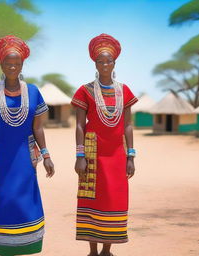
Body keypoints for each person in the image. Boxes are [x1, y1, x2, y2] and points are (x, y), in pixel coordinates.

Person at [0, 35, 55, 256]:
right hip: (0, 158)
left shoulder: (33, 92)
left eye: (17, 63)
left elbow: (37, 128)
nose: (13, 67)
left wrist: (46, 155)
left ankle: (20, 248)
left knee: (23, 205)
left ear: (22, 65)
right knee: (0, 203)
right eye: (8, 63)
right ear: (1, 64)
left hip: (25, 159)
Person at [71, 33, 138, 256]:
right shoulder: (85, 90)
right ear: (95, 64)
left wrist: (131, 156)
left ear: (114, 63)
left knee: (113, 198)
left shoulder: (124, 91)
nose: (105, 64)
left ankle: (106, 251)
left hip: (116, 153)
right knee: (93, 197)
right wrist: (80, 156)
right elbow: (80, 125)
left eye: (108, 60)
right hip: (92, 151)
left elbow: (127, 125)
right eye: (101, 61)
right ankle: (92, 251)